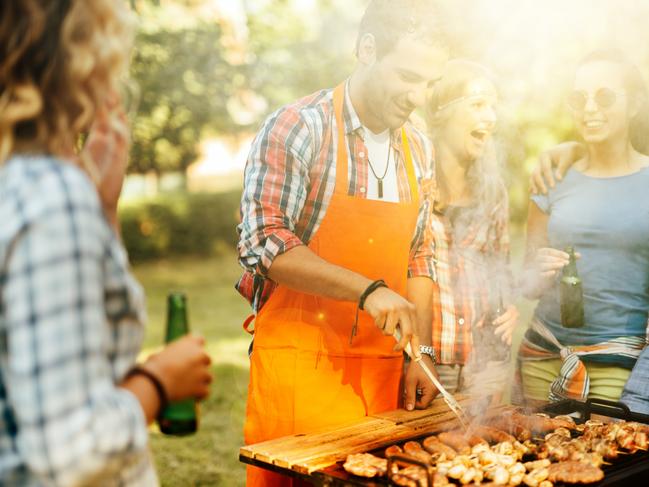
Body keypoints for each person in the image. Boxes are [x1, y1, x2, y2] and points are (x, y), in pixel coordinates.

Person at [236, 1, 449, 484]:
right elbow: (263, 241)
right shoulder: (298, 127)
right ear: (367, 49)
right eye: (408, 76)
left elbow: (420, 256)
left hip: (380, 377)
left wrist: (424, 353)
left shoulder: (419, 147)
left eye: (429, 84)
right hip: (299, 371)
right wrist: (369, 290)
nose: (418, 95)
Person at [0, 1, 212, 485]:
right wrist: (160, 381)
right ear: (81, 55)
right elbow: (71, 453)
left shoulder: (18, 186)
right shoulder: (51, 197)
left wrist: (103, 208)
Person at [517, 49, 649, 406]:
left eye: (604, 96)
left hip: (617, 366)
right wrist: (538, 272)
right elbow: (527, 285)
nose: (589, 108)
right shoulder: (552, 178)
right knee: (528, 460)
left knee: (604, 462)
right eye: (580, 98)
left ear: (634, 104)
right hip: (542, 356)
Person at [424, 60, 519, 404]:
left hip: (486, 361)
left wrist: (510, 306)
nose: (491, 117)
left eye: (493, 106)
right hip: (431, 362)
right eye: (478, 104)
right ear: (442, 113)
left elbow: (501, 270)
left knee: (489, 456)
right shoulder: (412, 181)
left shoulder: (493, 191)